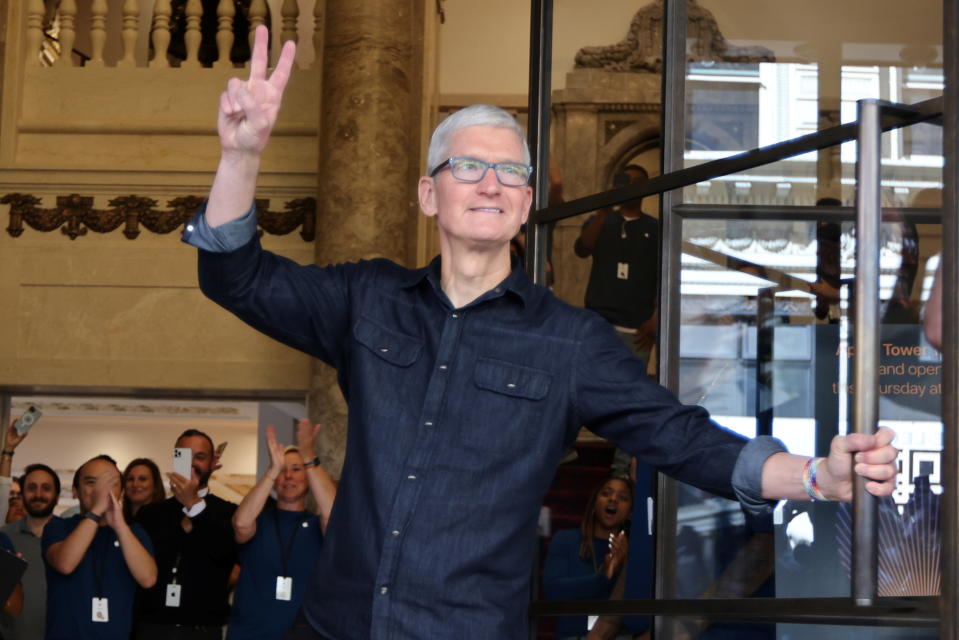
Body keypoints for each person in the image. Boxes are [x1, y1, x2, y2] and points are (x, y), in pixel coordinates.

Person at [182, 27, 898, 639]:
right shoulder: (368, 298)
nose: (488, 183)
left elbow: (680, 437)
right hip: (333, 625)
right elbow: (234, 278)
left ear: (526, 204)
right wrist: (241, 155)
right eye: (467, 166)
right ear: (429, 193)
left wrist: (812, 476)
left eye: (509, 172)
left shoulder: (571, 342)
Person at [226, 420, 336, 639]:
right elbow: (240, 524)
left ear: (308, 479)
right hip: (249, 633)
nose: (288, 476)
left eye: (297, 469)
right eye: (282, 471)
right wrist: (271, 470)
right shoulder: (259, 521)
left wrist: (309, 459)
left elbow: (335, 517)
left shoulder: (317, 524)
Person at [134, 429, 237, 640]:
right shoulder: (150, 514)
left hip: (203, 630)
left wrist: (193, 504)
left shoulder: (229, 513)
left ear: (212, 463)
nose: (192, 464)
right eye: (184, 456)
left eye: (199, 457)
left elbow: (223, 554)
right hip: (151, 627)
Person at [43, 454, 156, 639]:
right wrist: (96, 511)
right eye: (91, 482)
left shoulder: (133, 532)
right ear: (75, 491)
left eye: (110, 483)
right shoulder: (58, 527)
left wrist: (119, 525)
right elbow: (65, 564)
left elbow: (148, 579)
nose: (101, 491)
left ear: (121, 491)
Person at [574, 165, 659, 366]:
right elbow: (582, 249)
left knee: (631, 389)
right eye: (625, 181)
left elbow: (665, 276)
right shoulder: (601, 220)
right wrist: (604, 210)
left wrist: (656, 318)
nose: (630, 186)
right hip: (599, 322)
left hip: (637, 329)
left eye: (637, 182)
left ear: (646, 188)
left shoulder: (656, 228)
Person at [543, 477, 633, 640]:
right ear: (594, 503)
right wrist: (603, 578)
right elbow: (553, 590)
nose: (613, 499)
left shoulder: (631, 553)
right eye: (606, 493)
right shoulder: (566, 540)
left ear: (630, 513)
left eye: (623, 498)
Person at [0, 461, 61, 640]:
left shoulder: (73, 537)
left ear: (57, 496)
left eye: (46, 488)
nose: (38, 494)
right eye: (32, 487)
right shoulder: (4, 537)